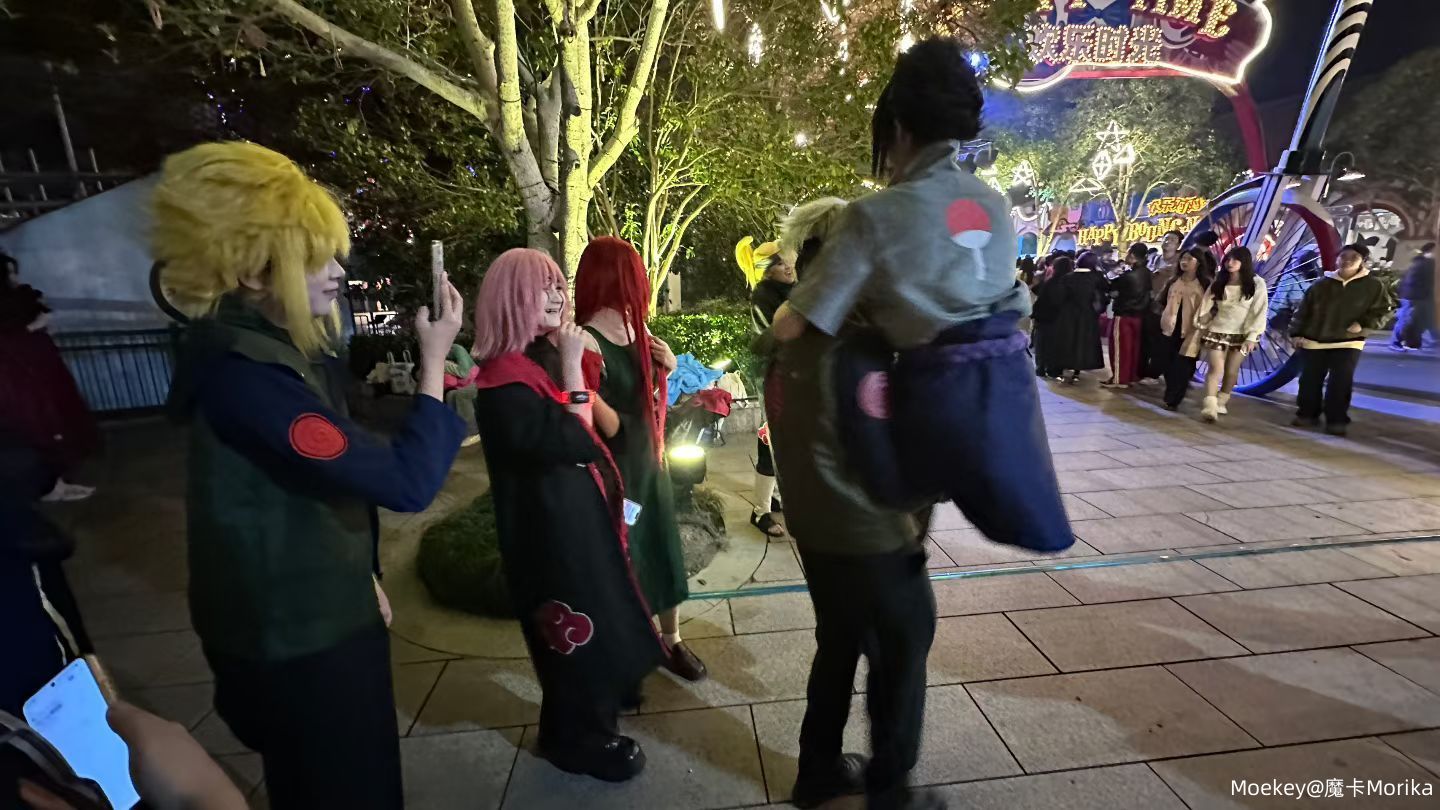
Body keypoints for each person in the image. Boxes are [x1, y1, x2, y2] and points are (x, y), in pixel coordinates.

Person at [770, 37, 1072, 810]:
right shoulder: (993, 207)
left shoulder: (870, 225)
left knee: (844, 632)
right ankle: (892, 791)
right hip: (882, 495)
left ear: (897, 128)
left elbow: (790, 327)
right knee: (902, 636)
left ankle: (817, 773)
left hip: (844, 497)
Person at [153, 142, 467, 810]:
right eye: (316, 257)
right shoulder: (252, 380)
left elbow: (323, 484)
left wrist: (363, 574)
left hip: (301, 621)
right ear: (253, 273)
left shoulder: (262, 355)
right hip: (302, 642)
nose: (338, 273)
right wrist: (435, 359)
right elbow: (404, 481)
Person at [471, 248, 663, 783]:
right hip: (549, 536)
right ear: (511, 299)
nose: (558, 295)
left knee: (596, 618)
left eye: (559, 284)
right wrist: (576, 369)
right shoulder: (504, 382)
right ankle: (576, 739)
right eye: (543, 287)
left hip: (574, 522)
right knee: (572, 637)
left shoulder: (535, 359)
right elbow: (575, 439)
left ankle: (591, 722)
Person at [574, 236, 707, 683]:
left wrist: (666, 368)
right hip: (619, 476)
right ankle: (633, 642)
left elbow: (649, 403)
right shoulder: (586, 342)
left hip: (650, 467)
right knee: (628, 554)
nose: (642, 283)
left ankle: (671, 639)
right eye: (634, 273)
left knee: (662, 547)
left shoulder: (637, 330)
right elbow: (608, 426)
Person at [0, 252, 99, 502]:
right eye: (8, 273)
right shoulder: (11, 304)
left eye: (14, 272)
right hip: (20, 376)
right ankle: (50, 486)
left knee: (56, 420)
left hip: (41, 367)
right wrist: (31, 328)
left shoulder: (20, 298)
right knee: (38, 425)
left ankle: (58, 483)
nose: (14, 278)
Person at [1290, 243, 1390, 436]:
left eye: (1354, 257)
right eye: (1343, 256)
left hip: (1349, 341)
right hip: (1315, 339)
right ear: (1337, 259)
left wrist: (1363, 323)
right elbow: (1303, 311)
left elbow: (1383, 311)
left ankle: (1336, 420)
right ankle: (1307, 414)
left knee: (1341, 382)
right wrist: (1296, 333)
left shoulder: (1373, 285)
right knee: (1309, 380)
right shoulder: (1321, 284)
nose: (1347, 260)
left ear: (1363, 261)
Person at [744, 238, 795, 538]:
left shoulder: (797, 290)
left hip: (793, 376)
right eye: (778, 263)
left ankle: (773, 497)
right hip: (772, 377)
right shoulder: (763, 295)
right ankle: (760, 511)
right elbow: (766, 339)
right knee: (769, 439)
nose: (787, 266)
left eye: (786, 259)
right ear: (767, 270)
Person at [1196, 246, 1270, 423]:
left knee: (1231, 371)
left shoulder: (1257, 283)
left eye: (1235, 260)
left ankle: (1222, 400)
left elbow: (1259, 310)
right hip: (1217, 330)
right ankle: (1210, 406)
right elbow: (1206, 303)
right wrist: (1201, 321)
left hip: (1242, 334)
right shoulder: (1220, 281)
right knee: (1216, 368)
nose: (1230, 263)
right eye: (1228, 259)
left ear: (1244, 262)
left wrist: (1253, 336)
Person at [1158, 248, 1216, 411]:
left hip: (1192, 330)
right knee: (1167, 363)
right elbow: (1162, 300)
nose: (1185, 262)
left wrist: (1205, 321)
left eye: (1189, 259)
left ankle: (1173, 399)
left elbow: (1213, 306)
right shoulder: (1173, 281)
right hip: (1169, 328)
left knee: (1182, 365)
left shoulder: (1205, 284)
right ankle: (1171, 392)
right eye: (1183, 258)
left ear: (1198, 262)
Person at [1033, 254, 1105, 383]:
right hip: (1082, 317)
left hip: (1059, 318)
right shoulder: (1095, 279)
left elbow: (1050, 297)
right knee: (1077, 344)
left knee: (1051, 344)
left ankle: (1047, 369)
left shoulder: (1061, 280)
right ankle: (1070, 370)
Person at [1102, 242, 1151, 388]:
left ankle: (1119, 379)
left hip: (1123, 314)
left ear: (1133, 256)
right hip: (1139, 316)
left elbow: (1112, 289)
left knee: (1119, 349)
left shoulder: (1127, 276)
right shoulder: (1147, 273)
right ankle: (1130, 376)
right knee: (1133, 349)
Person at [1142, 230, 1183, 380]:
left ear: (1178, 245)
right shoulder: (1154, 259)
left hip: (1169, 306)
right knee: (1148, 337)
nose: (1167, 242)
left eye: (1172, 240)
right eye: (1166, 239)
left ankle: (1160, 369)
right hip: (1150, 304)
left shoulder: (1180, 262)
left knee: (1164, 340)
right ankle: (1146, 368)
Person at [1391, 242, 1435, 352]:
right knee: (1406, 319)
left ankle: (1412, 343)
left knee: (1418, 319)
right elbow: (1415, 281)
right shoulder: (1424, 263)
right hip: (1414, 296)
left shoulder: (1422, 262)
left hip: (1415, 295)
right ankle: (1397, 342)